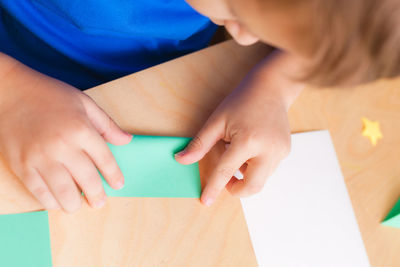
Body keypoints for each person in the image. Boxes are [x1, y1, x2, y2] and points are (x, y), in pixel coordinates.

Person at [0, 0, 399, 212]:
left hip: (143, 85)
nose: (242, 39)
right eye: (237, 15)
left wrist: (277, 84)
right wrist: (11, 94)